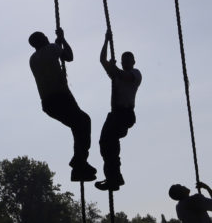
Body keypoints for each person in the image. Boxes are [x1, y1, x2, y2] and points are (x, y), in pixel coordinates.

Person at [28, 28, 97, 182]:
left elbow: (51, 58)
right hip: (62, 97)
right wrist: (62, 39)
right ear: (43, 40)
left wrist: (57, 43)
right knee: (83, 122)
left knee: (78, 125)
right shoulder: (52, 48)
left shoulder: (32, 59)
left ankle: (80, 164)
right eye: (45, 37)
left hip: (48, 104)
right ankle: (79, 163)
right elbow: (69, 57)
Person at [95, 30, 142, 191]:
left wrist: (114, 67)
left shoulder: (136, 74)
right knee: (106, 144)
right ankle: (114, 177)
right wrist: (106, 41)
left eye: (129, 61)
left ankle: (114, 178)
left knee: (110, 144)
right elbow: (102, 60)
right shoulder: (116, 74)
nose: (126, 63)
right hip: (116, 114)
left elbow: (123, 76)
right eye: (124, 61)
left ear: (133, 62)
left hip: (125, 114)